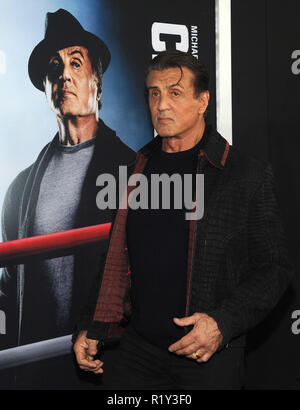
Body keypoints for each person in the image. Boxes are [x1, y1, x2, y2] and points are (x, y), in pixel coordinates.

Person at [73, 50, 293, 390]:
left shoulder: (244, 174)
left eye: (175, 93)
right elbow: (116, 258)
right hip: (136, 354)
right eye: (154, 93)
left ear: (203, 101)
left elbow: (274, 268)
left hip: (205, 358)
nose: (162, 105)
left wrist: (222, 323)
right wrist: (92, 324)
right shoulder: (135, 169)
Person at [0, 9, 135, 389]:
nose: (64, 73)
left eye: (76, 62)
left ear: (97, 80)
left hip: (106, 366)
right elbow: (8, 291)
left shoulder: (135, 172)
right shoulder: (19, 190)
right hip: (37, 371)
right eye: (54, 66)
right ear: (45, 87)